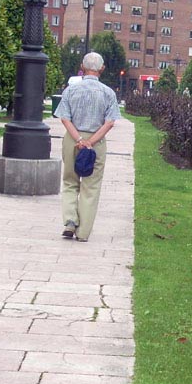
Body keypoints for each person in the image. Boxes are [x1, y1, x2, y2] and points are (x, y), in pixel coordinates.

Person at [53, 52, 120, 242]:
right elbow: (110, 122)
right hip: (96, 142)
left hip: (73, 139)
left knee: (70, 181)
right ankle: (83, 232)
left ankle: (70, 221)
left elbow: (64, 118)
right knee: (91, 186)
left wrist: (79, 139)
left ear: (82, 67)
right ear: (102, 69)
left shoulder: (71, 90)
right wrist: (91, 142)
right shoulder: (108, 93)